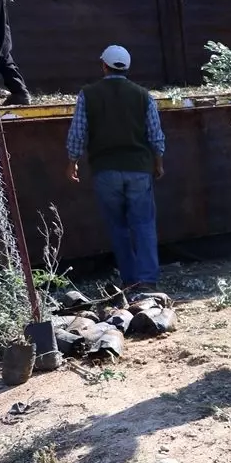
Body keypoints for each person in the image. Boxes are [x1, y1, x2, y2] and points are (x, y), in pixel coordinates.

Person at [65, 45, 165, 292]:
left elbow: (78, 133)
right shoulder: (143, 95)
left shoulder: (88, 94)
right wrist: (158, 162)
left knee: (118, 226)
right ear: (127, 68)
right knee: (143, 224)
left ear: (104, 66)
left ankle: (130, 280)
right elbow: (155, 134)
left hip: (105, 170)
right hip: (139, 169)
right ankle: (148, 281)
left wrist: (72, 162)